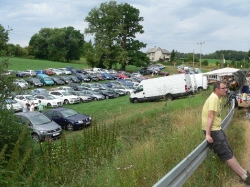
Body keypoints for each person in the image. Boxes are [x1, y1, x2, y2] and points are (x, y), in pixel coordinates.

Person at [202, 81, 250, 185]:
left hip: (217, 129)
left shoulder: (217, 98)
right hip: (214, 131)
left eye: (226, 88)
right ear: (217, 90)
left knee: (229, 152)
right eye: (223, 88)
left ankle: (244, 173)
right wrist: (208, 134)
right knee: (227, 155)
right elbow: (210, 116)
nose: (226, 90)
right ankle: (244, 177)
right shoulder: (214, 98)